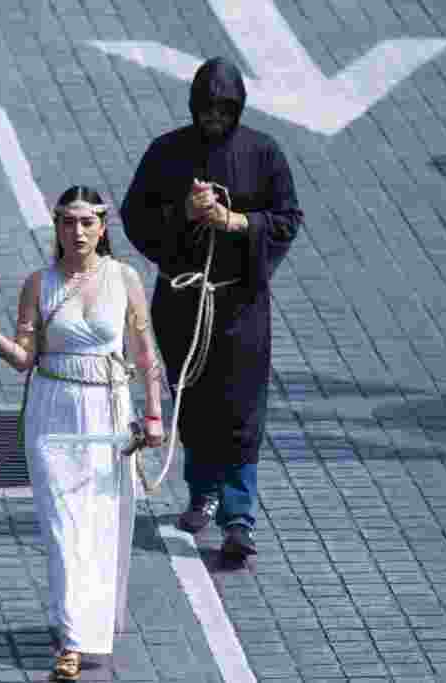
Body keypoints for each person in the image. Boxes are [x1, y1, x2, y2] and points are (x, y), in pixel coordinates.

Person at [0, 186, 165, 681]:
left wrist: (153, 415)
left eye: (87, 222)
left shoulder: (124, 278)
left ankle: (87, 623)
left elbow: (144, 350)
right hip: (53, 414)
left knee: (100, 520)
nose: (79, 232)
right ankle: (72, 641)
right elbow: (24, 358)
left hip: (108, 410)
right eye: (69, 223)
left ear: (102, 225)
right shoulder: (39, 283)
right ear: (57, 227)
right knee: (62, 525)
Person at [120, 57, 302, 560]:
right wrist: (183, 214)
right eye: (209, 109)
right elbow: (135, 216)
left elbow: (286, 219)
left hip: (240, 302)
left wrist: (235, 222)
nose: (216, 118)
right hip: (183, 300)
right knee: (194, 402)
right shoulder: (167, 152)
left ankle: (239, 517)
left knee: (242, 409)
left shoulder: (264, 153)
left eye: (226, 109)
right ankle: (203, 493)